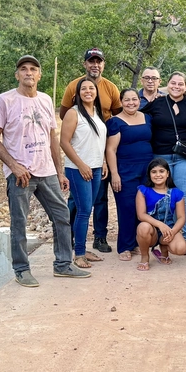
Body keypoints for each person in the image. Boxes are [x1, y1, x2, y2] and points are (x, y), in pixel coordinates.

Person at [0, 55, 90, 286]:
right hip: (20, 174)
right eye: (23, 69)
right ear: (17, 75)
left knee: (62, 217)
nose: (28, 73)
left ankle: (63, 264)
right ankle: (22, 269)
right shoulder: (5, 101)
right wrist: (13, 166)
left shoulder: (45, 100)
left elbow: (52, 137)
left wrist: (60, 171)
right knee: (19, 222)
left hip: (47, 171)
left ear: (39, 75)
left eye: (33, 69)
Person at [61, 48, 122, 254]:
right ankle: (69, 240)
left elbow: (115, 119)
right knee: (77, 203)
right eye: (91, 61)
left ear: (103, 64)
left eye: (99, 61)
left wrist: (105, 158)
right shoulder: (73, 88)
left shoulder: (110, 88)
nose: (95, 65)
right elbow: (65, 121)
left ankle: (99, 237)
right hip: (80, 158)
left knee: (100, 200)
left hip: (99, 157)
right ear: (85, 64)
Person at [141, 72, 186, 253]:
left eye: (180, 84)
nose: (176, 86)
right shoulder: (157, 104)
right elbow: (138, 119)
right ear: (166, 85)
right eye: (173, 83)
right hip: (161, 157)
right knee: (163, 197)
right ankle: (164, 235)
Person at [60, 78, 107, 269]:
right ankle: (78, 253)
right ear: (78, 94)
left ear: (96, 92)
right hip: (78, 169)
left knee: (89, 209)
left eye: (91, 88)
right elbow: (64, 142)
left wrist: (102, 162)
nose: (88, 91)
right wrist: (81, 165)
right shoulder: (73, 113)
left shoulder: (97, 113)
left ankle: (82, 248)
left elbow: (97, 141)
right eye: (84, 89)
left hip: (95, 168)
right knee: (84, 210)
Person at [106, 88, 154, 261]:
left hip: (147, 170)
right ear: (121, 102)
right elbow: (110, 149)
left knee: (144, 207)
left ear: (139, 100)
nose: (131, 103)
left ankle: (137, 242)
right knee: (127, 207)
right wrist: (114, 174)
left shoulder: (147, 118)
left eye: (134, 99)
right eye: (127, 100)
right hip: (125, 170)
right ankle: (124, 246)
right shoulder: (115, 122)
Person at [135, 158, 186, 271]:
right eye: (154, 172)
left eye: (161, 171)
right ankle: (144, 257)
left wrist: (172, 232)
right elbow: (141, 215)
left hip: (168, 229)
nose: (158, 175)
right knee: (143, 227)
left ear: (167, 173)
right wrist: (160, 225)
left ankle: (164, 250)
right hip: (151, 229)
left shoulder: (177, 193)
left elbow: (182, 218)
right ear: (149, 174)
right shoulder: (143, 191)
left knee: (181, 249)